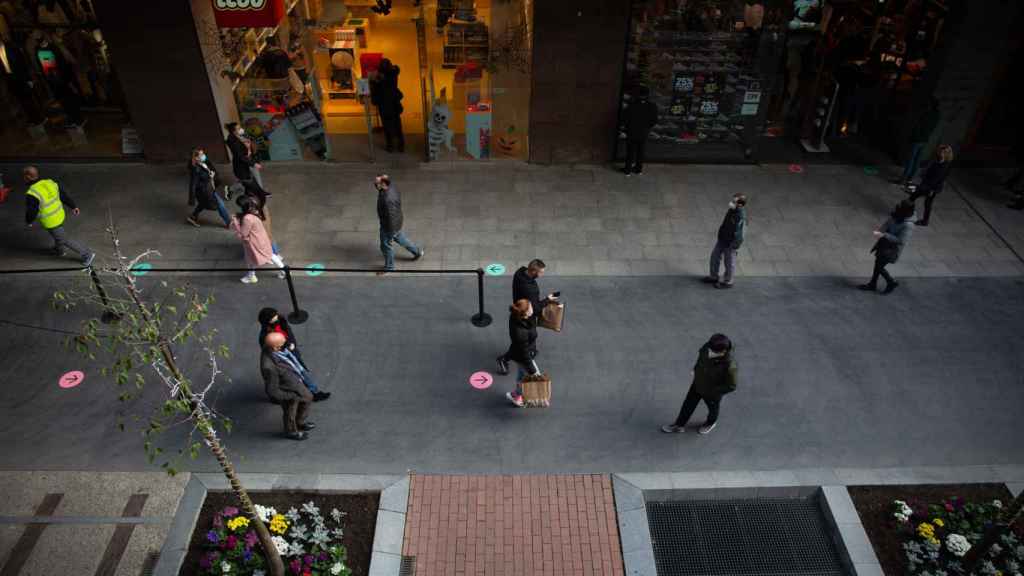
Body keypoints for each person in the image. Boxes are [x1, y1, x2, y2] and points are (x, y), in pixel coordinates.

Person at [661, 333, 737, 435]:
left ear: (723, 351)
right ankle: (679, 425)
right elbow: (701, 357)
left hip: (712, 392)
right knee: (688, 405)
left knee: (713, 409)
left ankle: (710, 423)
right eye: (709, 349)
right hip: (698, 383)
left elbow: (731, 386)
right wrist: (696, 369)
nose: (709, 352)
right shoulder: (708, 346)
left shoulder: (729, 366)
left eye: (713, 352)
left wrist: (714, 391)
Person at [22, 166, 95, 266]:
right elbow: (63, 195)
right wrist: (73, 206)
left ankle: (87, 254)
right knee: (58, 235)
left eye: (24, 176)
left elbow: (32, 210)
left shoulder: (33, 193)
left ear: (28, 177)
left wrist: (29, 221)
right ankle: (59, 250)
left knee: (63, 239)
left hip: (51, 221)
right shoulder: (50, 182)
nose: (23, 178)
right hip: (59, 214)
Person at [497, 259, 557, 375]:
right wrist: (547, 300)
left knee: (525, 340)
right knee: (521, 343)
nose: (541, 275)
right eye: (540, 272)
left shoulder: (520, 273)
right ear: (533, 271)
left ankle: (529, 351)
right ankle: (504, 359)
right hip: (525, 319)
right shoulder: (529, 289)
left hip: (520, 312)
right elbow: (535, 308)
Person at [257, 307, 330, 402]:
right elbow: (269, 351)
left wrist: (292, 344)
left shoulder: (281, 320)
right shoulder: (265, 336)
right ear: (268, 321)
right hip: (282, 356)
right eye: (273, 318)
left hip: (289, 350)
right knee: (295, 376)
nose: (276, 318)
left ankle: (314, 391)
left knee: (301, 371)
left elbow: (289, 333)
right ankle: (305, 394)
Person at [260, 332, 314, 440]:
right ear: (276, 347)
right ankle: (291, 431)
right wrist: (290, 396)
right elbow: (272, 391)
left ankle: (299, 422)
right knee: (290, 411)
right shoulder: (269, 367)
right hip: (287, 390)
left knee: (308, 397)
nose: (286, 344)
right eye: (283, 343)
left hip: (294, 381)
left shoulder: (276, 350)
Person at [859, 199, 915, 295]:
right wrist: (881, 231)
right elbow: (887, 223)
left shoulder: (908, 225)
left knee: (879, 267)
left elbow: (901, 240)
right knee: (877, 264)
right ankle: (873, 284)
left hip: (891, 249)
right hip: (883, 245)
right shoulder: (897, 215)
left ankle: (890, 282)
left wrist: (885, 235)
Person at [230, 196, 287, 284]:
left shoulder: (247, 218)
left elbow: (243, 234)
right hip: (262, 239)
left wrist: (236, 223)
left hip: (254, 243)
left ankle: (251, 276)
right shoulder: (254, 211)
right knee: (270, 255)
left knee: (250, 259)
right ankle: (285, 271)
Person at [375, 174, 423, 272]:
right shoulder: (391, 187)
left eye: (377, 182)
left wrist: (390, 231)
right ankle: (417, 252)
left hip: (389, 226)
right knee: (400, 238)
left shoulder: (387, 199)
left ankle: (389, 267)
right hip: (397, 222)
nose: (375, 184)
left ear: (383, 184)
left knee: (385, 246)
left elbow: (390, 215)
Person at [703, 193, 747, 289]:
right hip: (723, 238)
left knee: (729, 262)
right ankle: (713, 276)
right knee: (715, 256)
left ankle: (728, 282)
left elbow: (741, 233)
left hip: (731, 243)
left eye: (734, 201)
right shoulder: (732, 210)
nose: (731, 202)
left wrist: (734, 245)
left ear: (740, 204)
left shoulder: (741, 216)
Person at [504, 299, 540, 408]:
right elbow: (525, 355)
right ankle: (517, 396)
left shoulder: (516, 316)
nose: (532, 307)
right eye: (530, 307)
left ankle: (516, 395)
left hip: (519, 354)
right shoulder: (521, 333)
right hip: (523, 356)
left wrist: (547, 299)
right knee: (532, 375)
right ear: (525, 314)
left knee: (521, 375)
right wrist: (533, 371)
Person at [895, 97, 940, 185]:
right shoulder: (936, 116)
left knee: (911, 160)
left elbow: (918, 126)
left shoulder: (926, 114)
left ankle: (903, 179)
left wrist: (912, 136)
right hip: (925, 140)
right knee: (917, 161)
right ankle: (910, 179)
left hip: (918, 139)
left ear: (930, 105)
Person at [906, 144, 954, 226]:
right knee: (916, 198)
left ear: (946, 154)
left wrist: (932, 190)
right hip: (926, 184)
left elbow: (940, 179)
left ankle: (918, 218)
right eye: (939, 151)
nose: (940, 153)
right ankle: (914, 215)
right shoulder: (937, 159)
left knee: (922, 201)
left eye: (942, 152)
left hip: (932, 187)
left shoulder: (945, 165)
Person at [187, 148, 231, 228]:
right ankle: (229, 222)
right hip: (205, 192)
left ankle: (192, 217)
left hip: (209, 188)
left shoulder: (203, 162)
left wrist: (211, 175)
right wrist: (192, 200)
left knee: (202, 204)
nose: (204, 156)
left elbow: (210, 168)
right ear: (196, 158)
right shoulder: (196, 170)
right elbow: (193, 184)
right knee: (220, 205)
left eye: (203, 153)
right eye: (201, 155)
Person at [622, 86, 659, 176]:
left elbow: (625, 118)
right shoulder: (652, 106)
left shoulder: (631, 105)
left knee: (630, 151)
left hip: (632, 131)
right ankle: (638, 170)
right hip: (643, 132)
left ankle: (627, 170)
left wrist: (627, 128)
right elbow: (654, 120)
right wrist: (647, 127)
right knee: (641, 151)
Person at [371, 59, 405, 153]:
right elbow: (396, 68)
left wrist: (374, 80)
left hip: (384, 107)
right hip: (394, 105)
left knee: (387, 127)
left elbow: (375, 93)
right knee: (397, 126)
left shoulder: (379, 81)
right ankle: (401, 145)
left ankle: (390, 145)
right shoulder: (393, 75)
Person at [224, 122, 264, 189]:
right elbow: (240, 156)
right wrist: (253, 164)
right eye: (238, 128)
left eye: (240, 127)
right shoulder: (232, 141)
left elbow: (249, 145)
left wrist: (248, 143)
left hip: (249, 159)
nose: (241, 129)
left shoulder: (242, 136)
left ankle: (260, 191)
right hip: (242, 163)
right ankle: (230, 189)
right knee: (246, 181)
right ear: (234, 131)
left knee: (254, 176)